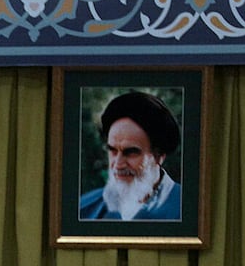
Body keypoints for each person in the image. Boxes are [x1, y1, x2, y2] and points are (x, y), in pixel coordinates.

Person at [77, 90, 184, 221]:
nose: (117, 164)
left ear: (158, 156)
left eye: (131, 152)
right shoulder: (84, 209)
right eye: (113, 151)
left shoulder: (189, 210)